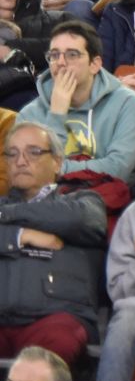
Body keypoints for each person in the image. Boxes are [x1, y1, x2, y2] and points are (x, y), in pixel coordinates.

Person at [0, 119, 109, 364]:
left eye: (34, 152)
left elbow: (82, 221)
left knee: (48, 354)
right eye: (12, 154)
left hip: (55, 317)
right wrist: (21, 236)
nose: (20, 161)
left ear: (57, 162)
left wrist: (9, 216)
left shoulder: (84, 201)